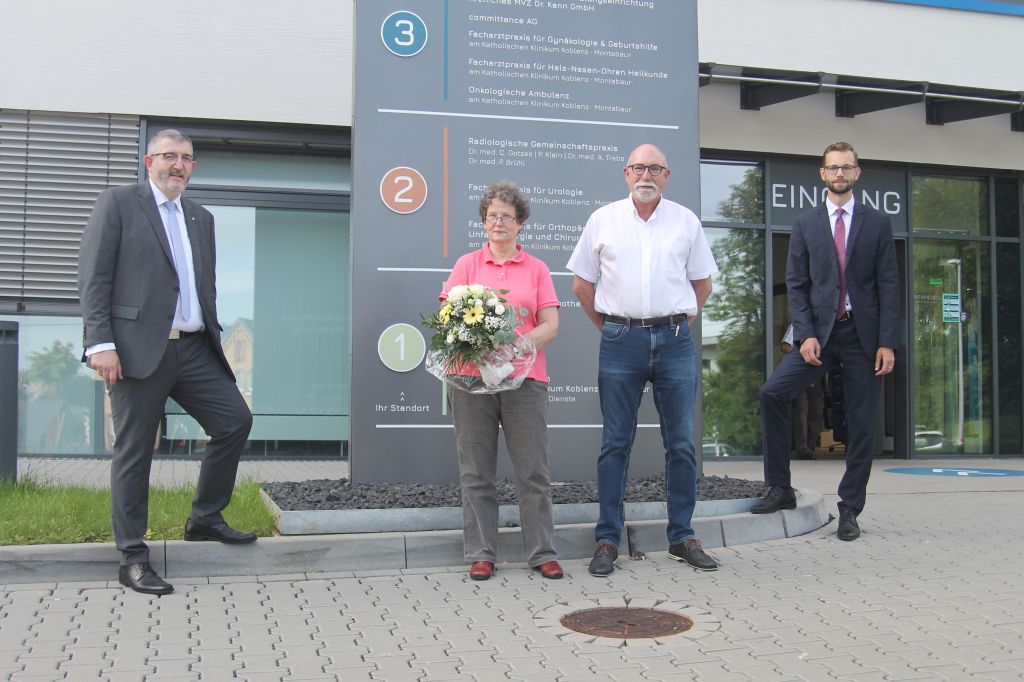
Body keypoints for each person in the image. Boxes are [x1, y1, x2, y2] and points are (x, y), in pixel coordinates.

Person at [78, 130, 255, 595]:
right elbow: (94, 276)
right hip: (137, 349)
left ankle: (204, 518)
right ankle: (132, 556)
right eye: (169, 156)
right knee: (136, 451)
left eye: (186, 158)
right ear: (148, 161)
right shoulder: (118, 204)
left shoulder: (201, 216)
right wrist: (100, 344)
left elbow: (202, 284)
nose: (178, 165)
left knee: (234, 420)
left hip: (195, 348)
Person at [567, 144, 719, 576]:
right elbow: (581, 286)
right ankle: (608, 540)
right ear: (626, 173)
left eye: (654, 168)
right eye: (639, 168)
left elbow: (702, 284)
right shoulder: (603, 220)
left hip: (674, 339)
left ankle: (682, 537)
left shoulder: (685, 221)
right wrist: (615, 328)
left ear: (667, 175)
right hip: (620, 339)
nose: (646, 174)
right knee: (615, 442)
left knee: (683, 444)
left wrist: (678, 323)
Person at [752, 141, 898, 541]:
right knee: (773, 393)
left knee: (863, 424)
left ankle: (850, 509)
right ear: (822, 173)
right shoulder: (805, 223)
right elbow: (797, 285)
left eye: (846, 168)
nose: (839, 174)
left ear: (857, 173)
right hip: (819, 333)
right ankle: (780, 488)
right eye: (832, 168)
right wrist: (806, 334)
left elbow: (889, 283)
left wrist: (888, 341)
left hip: (863, 337)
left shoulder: (877, 223)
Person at [440, 180, 563, 581]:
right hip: (471, 382)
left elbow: (551, 324)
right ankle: (481, 553)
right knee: (476, 471)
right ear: (484, 221)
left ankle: (542, 551)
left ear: (520, 222)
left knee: (533, 471)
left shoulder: (537, 269)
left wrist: (517, 346)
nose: (499, 223)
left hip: (526, 382)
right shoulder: (466, 266)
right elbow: (449, 319)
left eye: (507, 217)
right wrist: (477, 344)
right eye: (492, 216)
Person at [779, 324, 824, 460]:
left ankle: (811, 447)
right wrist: (802, 353)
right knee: (801, 409)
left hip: (817, 373)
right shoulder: (798, 323)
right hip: (799, 372)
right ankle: (802, 449)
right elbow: (784, 345)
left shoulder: (825, 323)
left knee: (816, 410)